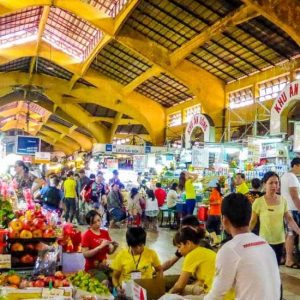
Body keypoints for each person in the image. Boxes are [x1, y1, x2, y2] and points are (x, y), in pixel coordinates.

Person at [204, 193, 281, 300]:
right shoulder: (265, 244)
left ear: (224, 220)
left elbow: (216, 295)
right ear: (250, 218)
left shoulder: (229, 250)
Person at [250, 171, 300, 265]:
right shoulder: (258, 202)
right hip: (264, 242)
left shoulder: (283, 200)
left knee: (275, 267)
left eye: (276, 183)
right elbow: (253, 221)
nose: (274, 186)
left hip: (280, 241)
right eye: (271, 183)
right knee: (264, 267)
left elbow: (289, 219)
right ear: (265, 184)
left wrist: (298, 231)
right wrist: (244, 237)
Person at [169, 227, 216, 295]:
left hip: (213, 295)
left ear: (188, 243)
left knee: (175, 294)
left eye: (179, 247)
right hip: (222, 292)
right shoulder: (204, 250)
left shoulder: (191, 255)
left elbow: (179, 286)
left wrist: (168, 295)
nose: (179, 251)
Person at [280, 157, 300, 268]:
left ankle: (284, 258)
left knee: (289, 234)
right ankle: (289, 260)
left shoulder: (285, 176)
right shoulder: (291, 177)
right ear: (296, 165)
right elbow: (294, 196)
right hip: (292, 209)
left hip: (288, 208)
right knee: (291, 235)